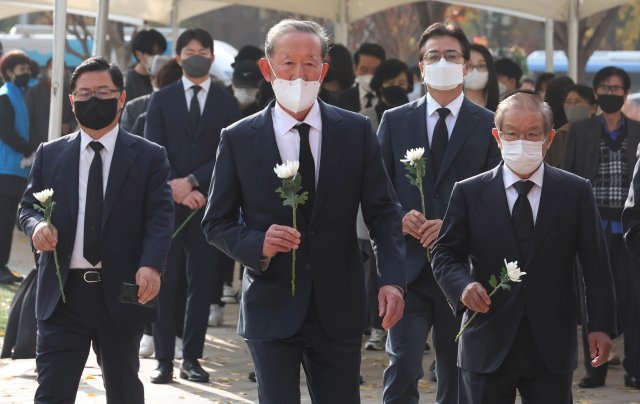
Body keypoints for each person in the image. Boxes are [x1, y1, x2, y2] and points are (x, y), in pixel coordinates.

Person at [201, 19, 406, 403]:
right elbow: (216, 223)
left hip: (339, 306)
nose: (299, 74)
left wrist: (392, 278)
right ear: (268, 68)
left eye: (310, 64)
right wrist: (258, 243)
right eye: (289, 63)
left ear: (324, 70)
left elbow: (383, 211)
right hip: (270, 303)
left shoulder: (356, 131)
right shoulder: (239, 138)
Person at [433, 92, 617, 403]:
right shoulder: (469, 192)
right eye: (512, 133)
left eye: (533, 134)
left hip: (550, 345)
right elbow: (445, 254)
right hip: (486, 339)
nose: (522, 141)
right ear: (497, 136)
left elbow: (595, 265)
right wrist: (463, 287)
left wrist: (599, 326)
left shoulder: (575, 192)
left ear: (548, 139)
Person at [19, 56, 174, 404]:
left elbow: (160, 216)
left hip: (121, 291)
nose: (94, 100)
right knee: (52, 393)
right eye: (85, 93)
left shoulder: (149, 156)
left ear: (121, 98)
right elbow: (27, 206)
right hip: (63, 294)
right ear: (72, 100)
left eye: (103, 92)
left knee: (123, 391)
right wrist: (36, 225)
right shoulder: (50, 154)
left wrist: (151, 264)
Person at [378, 22, 501, 404]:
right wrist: (399, 214)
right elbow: (375, 189)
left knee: (456, 369)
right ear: (421, 67)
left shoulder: (488, 124)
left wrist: (451, 225)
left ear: (466, 67)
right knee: (402, 363)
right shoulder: (395, 121)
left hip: (460, 269)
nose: (442, 62)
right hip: (407, 270)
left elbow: (496, 196)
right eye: (433, 56)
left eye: (452, 56)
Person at [144, 28, 241, 384]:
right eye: (189, 50)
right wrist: (176, 188)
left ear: (212, 57)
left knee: (202, 284)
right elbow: (152, 148)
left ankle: (192, 358)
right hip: (167, 206)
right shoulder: (162, 99)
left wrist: (196, 183)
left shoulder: (226, 101)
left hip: (206, 206)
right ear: (178, 57)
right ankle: (164, 360)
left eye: (202, 50)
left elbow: (228, 152)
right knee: (165, 283)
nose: (195, 55)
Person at [563, 66, 640, 390]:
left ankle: (635, 369)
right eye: (605, 88)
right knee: (593, 299)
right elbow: (566, 177)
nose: (612, 93)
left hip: (629, 231)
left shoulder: (638, 130)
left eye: (617, 88)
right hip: (592, 226)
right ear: (596, 93)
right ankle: (595, 369)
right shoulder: (580, 131)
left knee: (634, 300)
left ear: (625, 93)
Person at [0, 50, 34, 285]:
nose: (27, 74)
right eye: (22, 70)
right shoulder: (4, 95)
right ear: (9, 72)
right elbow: (5, 130)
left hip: (15, 168)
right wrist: (27, 149)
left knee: (6, 220)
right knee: (2, 221)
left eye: (28, 69)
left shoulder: (18, 95)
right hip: (5, 168)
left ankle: (3, 265)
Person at [25, 58, 76, 145]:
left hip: (63, 143)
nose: (56, 70)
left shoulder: (71, 93)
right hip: (38, 144)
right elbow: (28, 119)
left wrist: (69, 126)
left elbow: (76, 116)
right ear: (46, 70)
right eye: (52, 67)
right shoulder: (34, 92)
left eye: (61, 68)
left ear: (66, 71)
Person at [544, 84, 597, 167]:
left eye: (577, 102)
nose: (572, 107)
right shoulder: (558, 136)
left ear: (593, 108)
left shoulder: (599, 133)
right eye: (568, 102)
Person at [120, 55, 172, 134]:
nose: (164, 82)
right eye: (161, 78)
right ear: (151, 78)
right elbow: (125, 142)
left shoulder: (133, 107)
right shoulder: (132, 108)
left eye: (169, 78)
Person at [360, 58, 412, 131]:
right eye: (390, 83)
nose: (396, 86)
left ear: (408, 86)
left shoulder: (417, 116)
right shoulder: (365, 118)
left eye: (402, 83)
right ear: (380, 86)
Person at [336, 42, 386, 112]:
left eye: (375, 71)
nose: (369, 75)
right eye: (364, 70)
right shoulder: (340, 99)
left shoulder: (390, 98)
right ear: (355, 69)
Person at [125, 29, 168, 101]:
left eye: (161, 53)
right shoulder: (127, 81)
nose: (158, 58)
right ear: (139, 54)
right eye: (154, 53)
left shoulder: (165, 78)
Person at [464, 44, 499, 111]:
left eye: (481, 66)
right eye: (469, 65)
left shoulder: (501, 110)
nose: (475, 71)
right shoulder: (449, 108)